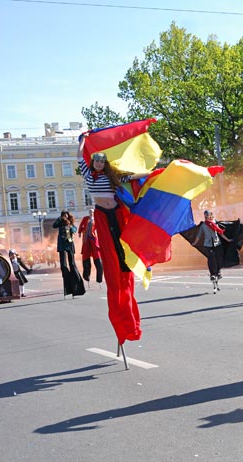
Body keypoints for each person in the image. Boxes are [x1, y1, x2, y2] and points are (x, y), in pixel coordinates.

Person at [77, 134, 150, 344]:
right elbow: (78, 157)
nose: (99, 162)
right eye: (96, 160)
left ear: (105, 163)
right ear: (93, 162)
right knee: (110, 254)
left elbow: (133, 177)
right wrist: (82, 140)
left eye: (102, 160)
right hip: (101, 215)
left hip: (117, 214)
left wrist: (154, 173)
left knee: (123, 248)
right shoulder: (88, 175)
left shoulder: (112, 177)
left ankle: (127, 265)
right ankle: (116, 276)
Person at [52, 210, 85, 297]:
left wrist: (70, 227)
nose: (65, 217)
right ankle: (68, 288)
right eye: (63, 215)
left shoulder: (70, 224)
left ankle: (77, 287)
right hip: (62, 245)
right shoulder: (59, 223)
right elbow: (54, 225)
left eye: (66, 215)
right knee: (63, 266)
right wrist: (60, 219)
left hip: (69, 245)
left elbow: (75, 229)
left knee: (72, 264)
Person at [191, 210, 231, 282]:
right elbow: (199, 235)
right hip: (208, 244)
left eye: (208, 215)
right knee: (211, 259)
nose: (206, 216)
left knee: (219, 258)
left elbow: (220, 232)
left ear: (210, 215)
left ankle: (218, 272)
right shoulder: (203, 225)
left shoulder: (215, 223)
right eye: (205, 215)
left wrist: (227, 240)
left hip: (217, 243)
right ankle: (212, 274)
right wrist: (195, 242)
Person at [78, 209, 103, 284]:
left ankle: (99, 277)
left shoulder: (96, 219)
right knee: (86, 256)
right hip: (86, 239)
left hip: (93, 239)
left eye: (92, 212)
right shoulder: (85, 218)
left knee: (97, 256)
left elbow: (99, 228)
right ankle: (86, 275)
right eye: (90, 212)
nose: (91, 213)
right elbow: (81, 225)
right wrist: (79, 232)